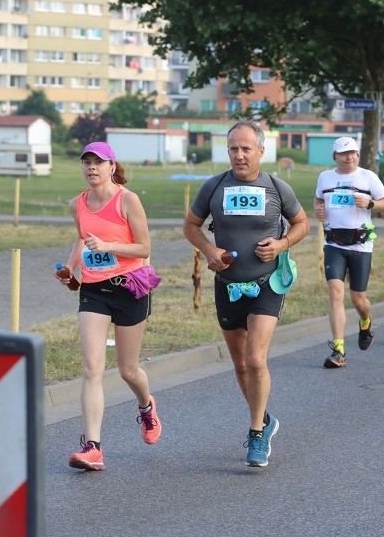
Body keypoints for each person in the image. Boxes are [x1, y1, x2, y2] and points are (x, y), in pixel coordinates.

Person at [183, 120, 309, 467]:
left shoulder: (276, 187)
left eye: (246, 149)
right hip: (227, 286)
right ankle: (265, 420)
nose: (239, 155)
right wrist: (209, 251)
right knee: (240, 364)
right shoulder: (214, 187)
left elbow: (303, 223)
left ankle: (255, 434)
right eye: (233, 149)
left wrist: (282, 243)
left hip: (267, 283)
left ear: (260, 152)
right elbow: (190, 226)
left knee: (255, 359)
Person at [57, 141, 161, 472]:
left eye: (98, 162)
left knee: (128, 369)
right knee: (91, 367)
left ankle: (146, 406)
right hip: (94, 289)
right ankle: (93, 447)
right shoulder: (77, 204)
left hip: (130, 286)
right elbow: (82, 237)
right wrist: (70, 267)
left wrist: (109, 245)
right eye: (86, 162)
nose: (92, 168)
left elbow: (144, 246)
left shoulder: (127, 200)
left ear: (112, 166)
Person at [314, 136, 384, 368]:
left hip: (360, 244)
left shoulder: (368, 177)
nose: (349, 157)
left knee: (358, 298)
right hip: (334, 243)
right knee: (336, 294)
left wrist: (370, 204)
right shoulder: (325, 177)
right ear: (335, 156)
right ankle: (339, 350)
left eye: (353, 153)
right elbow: (319, 199)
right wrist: (319, 210)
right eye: (344, 153)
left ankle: (366, 321)